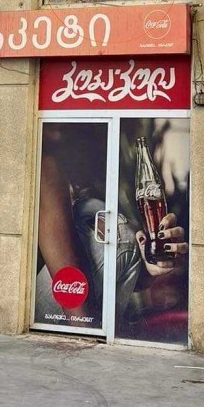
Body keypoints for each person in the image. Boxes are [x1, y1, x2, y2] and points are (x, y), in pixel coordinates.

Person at [36, 120, 189, 332]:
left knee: (105, 221)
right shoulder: (44, 164)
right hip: (47, 311)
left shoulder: (87, 170)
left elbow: (122, 271)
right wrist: (84, 332)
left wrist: (147, 267)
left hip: (69, 305)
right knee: (117, 233)